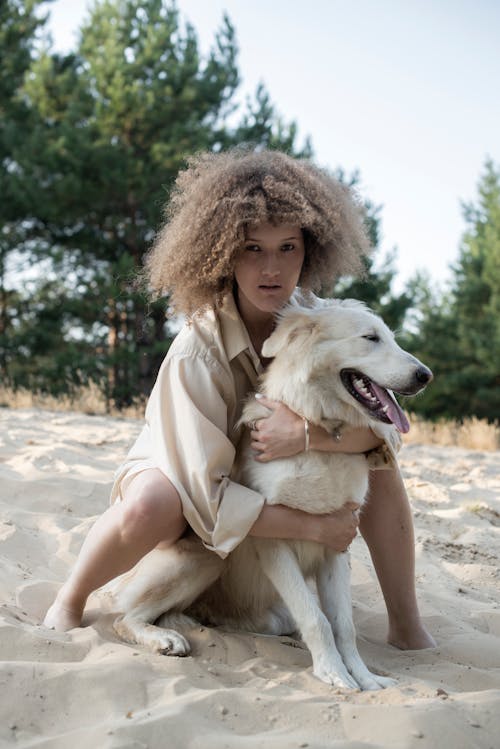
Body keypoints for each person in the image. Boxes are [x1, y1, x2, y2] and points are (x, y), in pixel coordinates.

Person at [44, 149, 435, 650]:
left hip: (271, 471)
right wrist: (316, 528)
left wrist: (310, 435)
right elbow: (206, 495)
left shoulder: (323, 323)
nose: (271, 268)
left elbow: (383, 439)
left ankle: (406, 624)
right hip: (188, 476)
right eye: (253, 248)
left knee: (378, 465)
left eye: (288, 247)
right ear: (223, 251)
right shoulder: (196, 350)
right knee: (151, 504)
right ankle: (71, 599)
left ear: (310, 251)